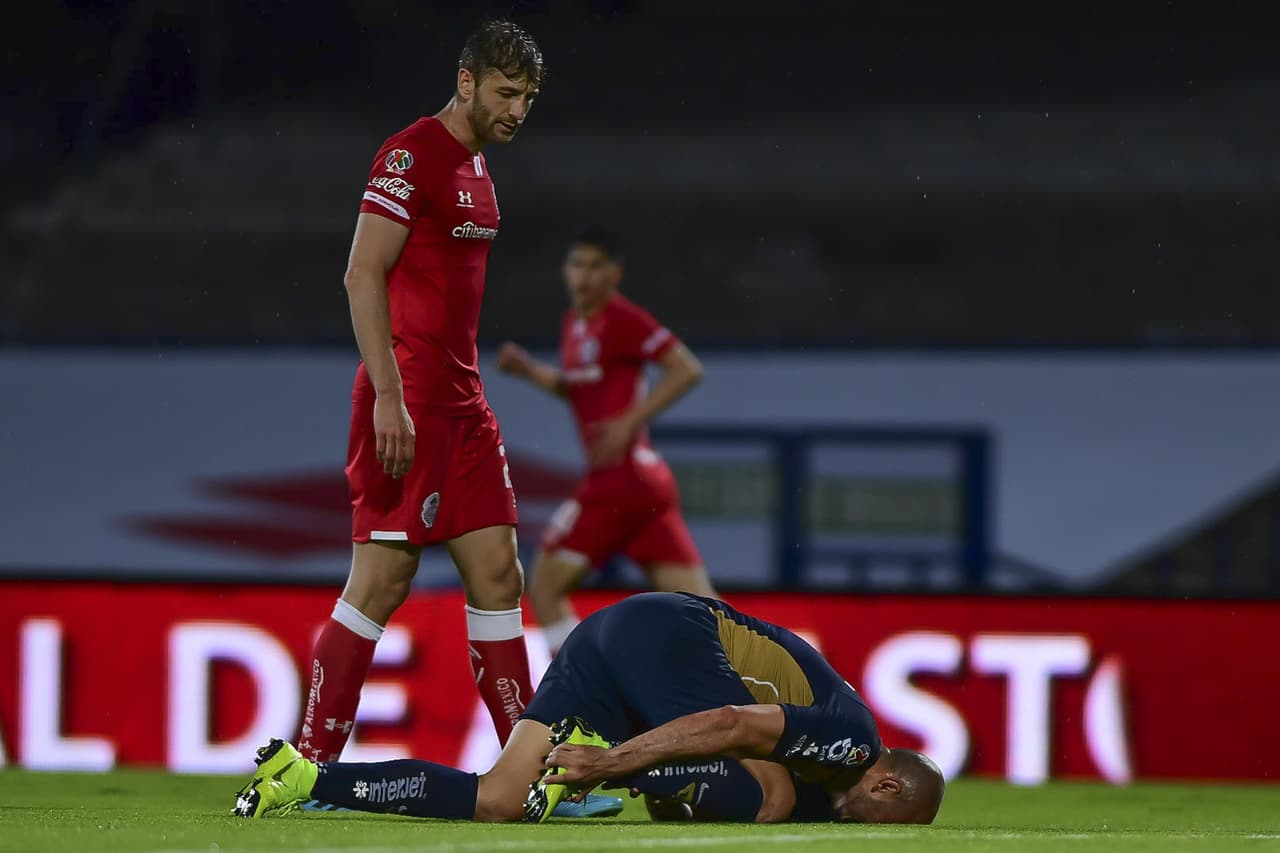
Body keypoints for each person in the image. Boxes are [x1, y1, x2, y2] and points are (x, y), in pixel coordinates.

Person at [298, 19, 545, 766]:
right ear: (466, 81)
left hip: (464, 409)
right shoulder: (411, 154)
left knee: (501, 573)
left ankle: (530, 770)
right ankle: (308, 764)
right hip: (406, 403)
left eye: (528, 98)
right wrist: (386, 395)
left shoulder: (476, 163)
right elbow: (361, 272)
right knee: (381, 580)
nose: (517, 111)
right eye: (506, 94)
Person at [233, 592, 946, 825]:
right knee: (771, 794)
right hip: (671, 632)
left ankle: (305, 779)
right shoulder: (852, 744)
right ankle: (599, 763)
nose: (863, 831)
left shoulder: (841, 776)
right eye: (886, 823)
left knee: (499, 797)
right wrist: (617, 761)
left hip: (611, 633)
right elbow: (728, 723)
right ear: (886, 782)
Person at [496, 230, 716, 655]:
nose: (585, 276)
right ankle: (773, 695)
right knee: (708, 616)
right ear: (566, 271)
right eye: (577, 265)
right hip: (645, 488)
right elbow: (578, 388)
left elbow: (687, 369)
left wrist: (628, 421)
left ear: (614, 274)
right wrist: (529, 370)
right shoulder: (574, 325)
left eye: (596, 266)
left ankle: (578, 693)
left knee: (543, 586)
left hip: (619, 481)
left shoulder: (621, 318)